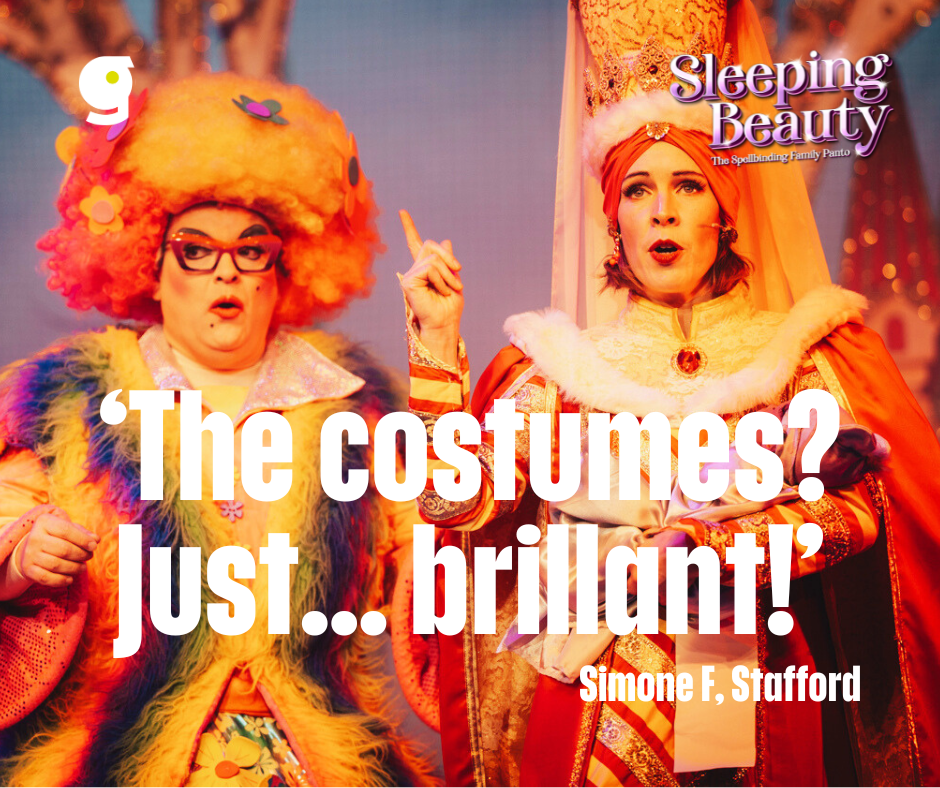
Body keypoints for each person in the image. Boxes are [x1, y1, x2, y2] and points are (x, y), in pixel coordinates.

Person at [397, 0, 940, 785]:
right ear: (613, 218)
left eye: (688, 184)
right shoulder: (558, 370)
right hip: (593, 708)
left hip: (753, 688)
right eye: (637, 189)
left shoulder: (799, 356)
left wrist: (715, 548)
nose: (662, 211)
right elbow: (454, 504)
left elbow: (857, 514)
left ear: (725, 209)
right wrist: (435, 346)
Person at [0, 73, 432, 787]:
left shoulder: (356, 404)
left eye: (251, 250)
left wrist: (440, 357)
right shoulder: (67, 396)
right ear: (150, 264)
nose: (224, 273)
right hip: (120, 758)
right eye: (195, 250)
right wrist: (20, 559)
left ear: (283, 267)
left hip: (318, 759)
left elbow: (437, 547)